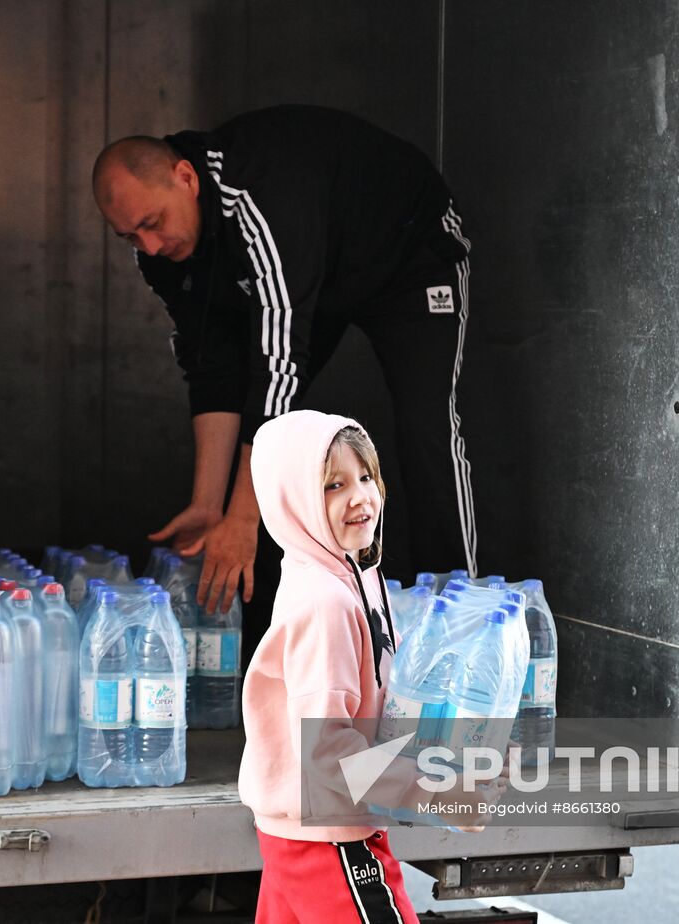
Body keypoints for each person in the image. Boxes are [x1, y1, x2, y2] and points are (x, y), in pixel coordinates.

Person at [91, 106, 479, 655]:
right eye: (130, 236)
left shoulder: (259, 196)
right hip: (321, 275)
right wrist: (209, 505)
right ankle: (296, 623)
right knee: (265, 438)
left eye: (152, 224)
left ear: (186, 177)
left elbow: (278, 368)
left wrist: (242, 516)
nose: (149, 246)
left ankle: (459, 618)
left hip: (408, 254)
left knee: (424, 428)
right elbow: (213, 369)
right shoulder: (162, 252)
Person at [238, 410, 488, 923]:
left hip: (309, 832)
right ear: (295, 502)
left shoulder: (349, 575)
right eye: (334, 485)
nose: (361, 497)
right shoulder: (324, 601)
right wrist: (435, 791)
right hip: (331, 841)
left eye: (367, 477)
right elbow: (328, 752)